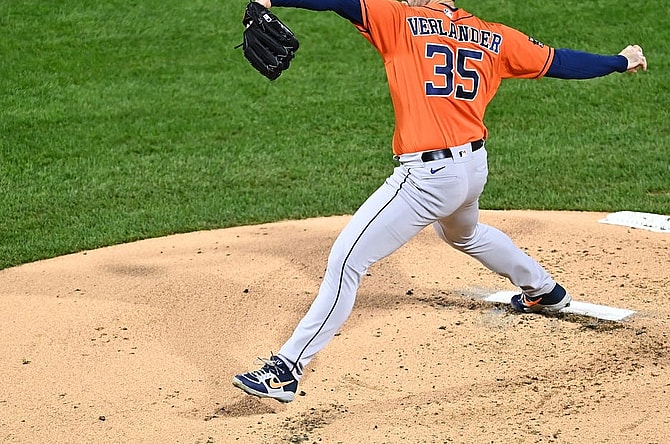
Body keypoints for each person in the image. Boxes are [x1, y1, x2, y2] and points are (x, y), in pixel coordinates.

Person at [233, 0, 647, 403]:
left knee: (346, 262)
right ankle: (544, 290)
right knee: (463, 234)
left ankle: (286, 370)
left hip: (427, 179)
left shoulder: (399, 18)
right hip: (473, 169)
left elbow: (338, 1)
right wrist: (619, 61)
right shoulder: (493, 36)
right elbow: (561, 61)